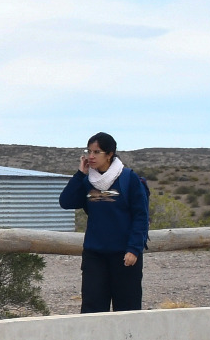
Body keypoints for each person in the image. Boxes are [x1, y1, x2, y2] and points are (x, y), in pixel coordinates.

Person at [59, 132, 149, 312]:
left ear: (109, 154)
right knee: (92, 310)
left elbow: (141, 216)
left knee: (127, 311)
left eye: (96, 152)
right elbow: (66, 202)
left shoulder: (128, 178)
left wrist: (134, 249)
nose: (91, 156)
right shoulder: (87, 181)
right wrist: (80, 174)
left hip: (124, 256)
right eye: (88, 151)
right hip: (94, 255)